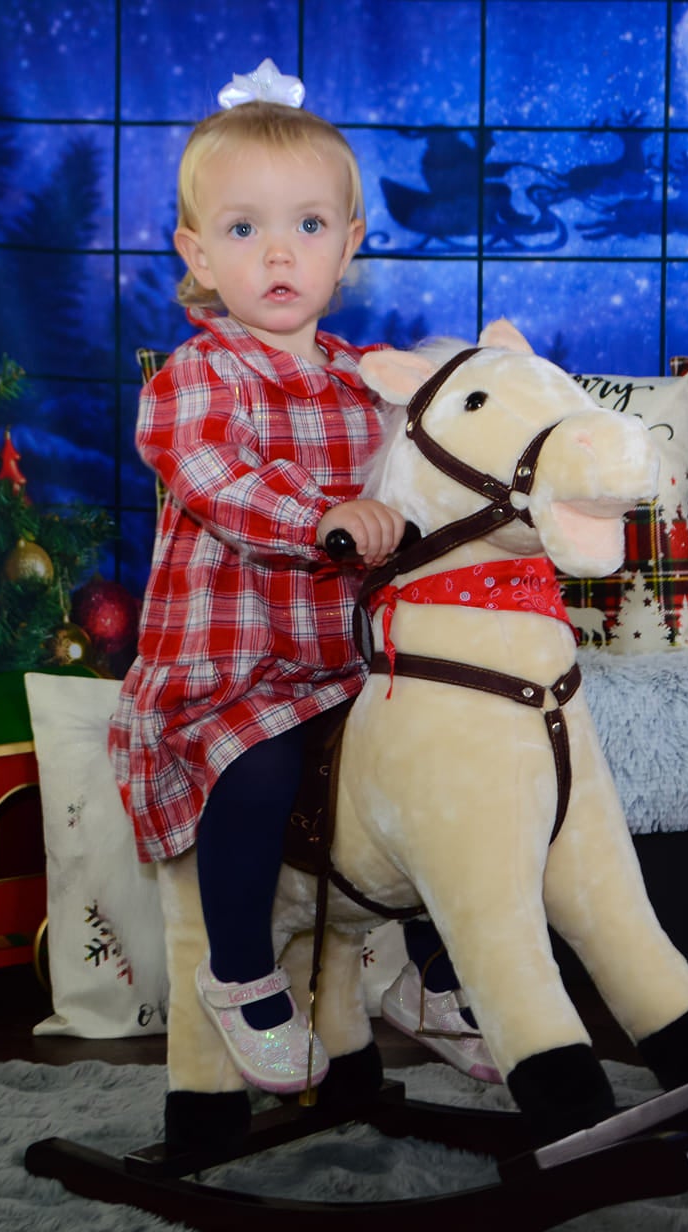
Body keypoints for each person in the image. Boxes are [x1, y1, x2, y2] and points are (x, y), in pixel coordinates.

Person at [108, 63, 406, 1096]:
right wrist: (322, 517)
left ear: (350, 240)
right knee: (259, 771)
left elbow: (427, 476)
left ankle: (428, 964)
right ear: (195, 252)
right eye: (242, 230)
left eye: (307, 224)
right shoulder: (198, 379)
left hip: (345, 670)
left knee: (437, 768)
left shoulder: (370, 383)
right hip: (234, 675)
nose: (278, 252)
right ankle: (239, 976)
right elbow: (219, 481)